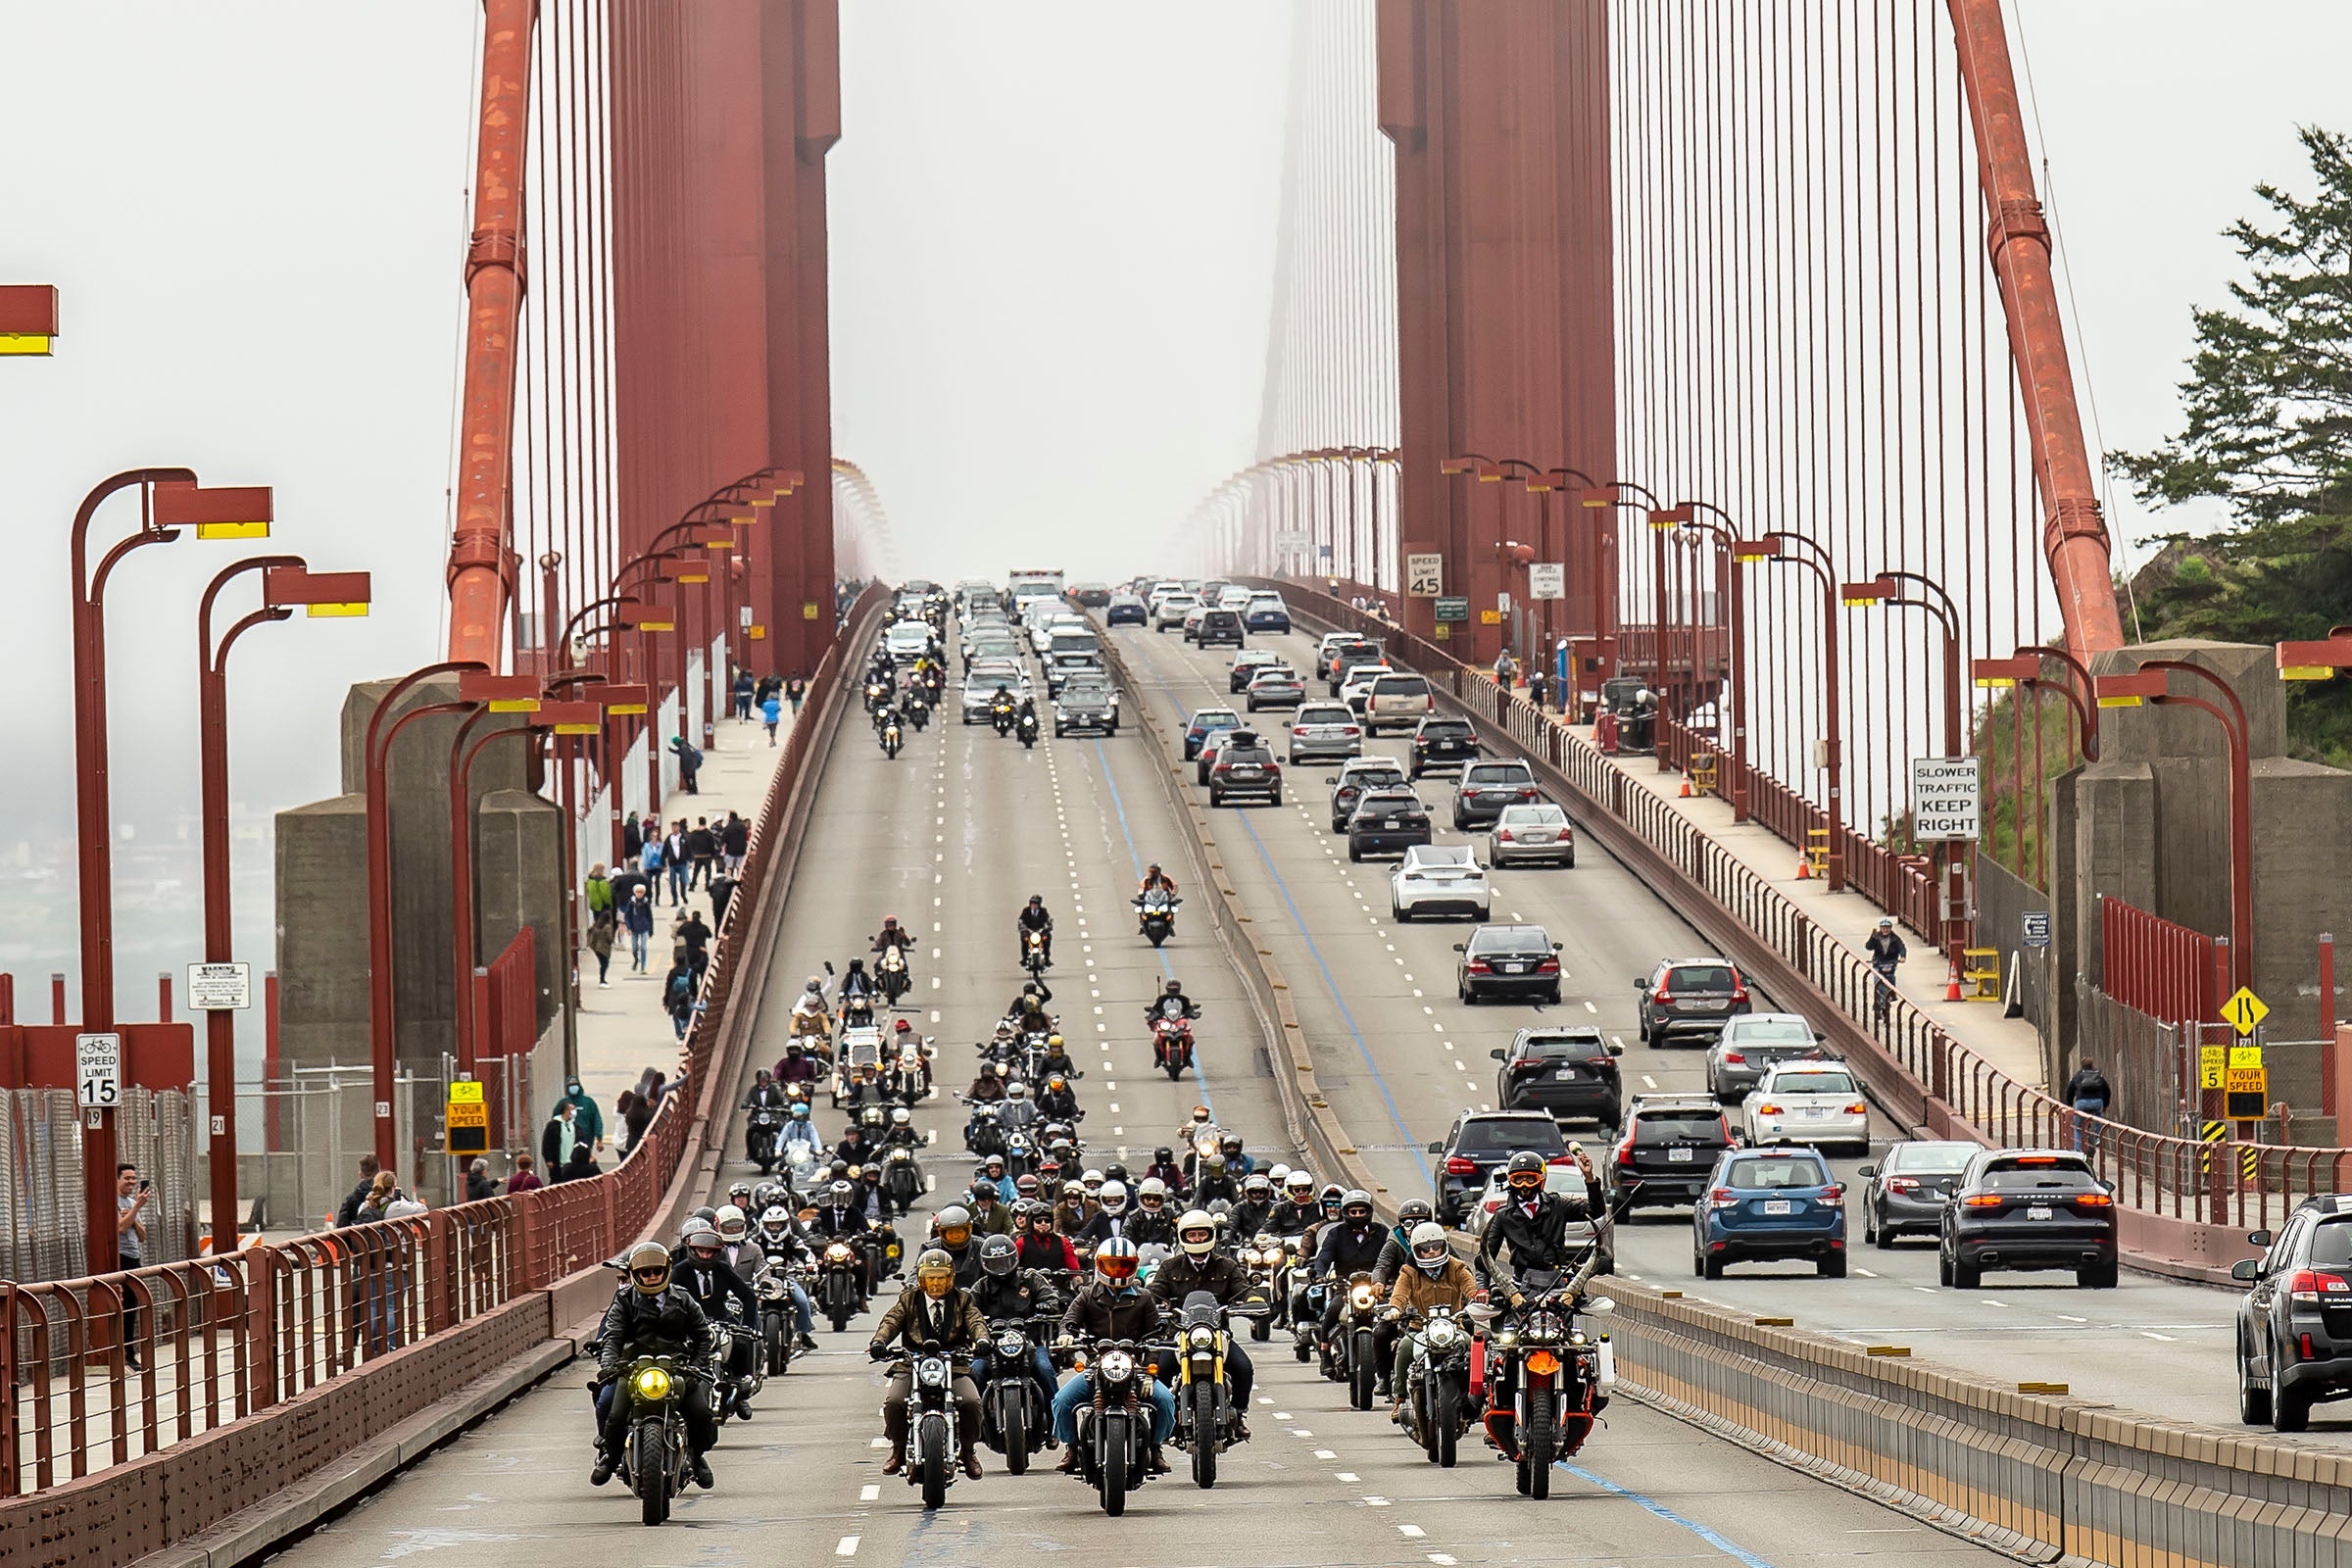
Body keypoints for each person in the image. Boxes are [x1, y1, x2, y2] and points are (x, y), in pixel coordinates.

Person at [591, 1242, 719, 1491]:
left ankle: (697, 1455)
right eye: (644, 1273)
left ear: (666, 1271)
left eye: (656, 1272)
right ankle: (612, 1456)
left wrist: (696, 1366)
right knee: (612, 1411)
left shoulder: (683, 1298)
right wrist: (608, 1364)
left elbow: (703, 1337)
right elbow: (612, 1336)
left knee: (702, 1414)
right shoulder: (624, 1300)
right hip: (632, 1369)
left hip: (678, 1368)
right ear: (636, 1275)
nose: (651, 1277)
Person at [1053, 1239, 1175, 1473]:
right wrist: (1065, 1335)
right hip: (1096, 1366)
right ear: (1099, 1266)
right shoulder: (1087, 1294)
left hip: (1135, 1368)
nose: (1117, 1272)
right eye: (1111, 1266)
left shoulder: (1144, 1297)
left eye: (1123, 1266)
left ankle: (1156, 1449)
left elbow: (1156, 1335)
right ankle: (1071, 1448)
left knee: (1166, 1401)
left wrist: (1149, 1371)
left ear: (1134, 1267)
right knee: (1062, 1401)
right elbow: (1069, 1321)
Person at [869, 1249, 990, 1478]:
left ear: (950, 1278)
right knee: (894, 1401)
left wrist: (982, 1339)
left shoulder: (962, 1299)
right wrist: (879, 1341)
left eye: (941, 1277)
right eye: (930, 1278)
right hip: (912, 1363)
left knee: (972, 1402)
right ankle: (898, 1450)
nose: (936, 1283)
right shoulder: (908, 1299)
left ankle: (968, 1451)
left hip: (953, 1364)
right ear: (922, 1279)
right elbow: (891, 1320)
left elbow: (975, 1321)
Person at [1146, 1208, 1255, 1427]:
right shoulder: (1170, 1267)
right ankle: (1160, 1421)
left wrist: (1253, 1301)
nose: (1198, 1239)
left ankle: (1239, 1413)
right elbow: (1155, 1292)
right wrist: (1152, 1303)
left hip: (1217, 1333)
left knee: (1243, 1367)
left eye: (1202, 1234)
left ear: (1211, 1235)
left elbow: (1243, 1290)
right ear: (1183, 1237)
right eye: (1192, 1235)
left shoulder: (1227, 1265)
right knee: (1160, 1370)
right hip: (1179, 1333)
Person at [1386, 1222, 1486, 1421]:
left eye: (1435, 1246)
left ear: (1444, 1245)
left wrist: (1477, 1296)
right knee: (1404, 1348)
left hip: (1453, 1328)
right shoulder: (1409, 1271)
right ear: (1416, 1250)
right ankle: (1400, 1398)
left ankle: (1479, 1397)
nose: (1431, 1252)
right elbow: (1400, 1293)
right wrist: (1395, 1309)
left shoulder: (1456, 1267)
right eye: (1424, 1249)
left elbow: (1470, 1286)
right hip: (1420, 1329)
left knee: (1472, 1347)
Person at [1475, 1149, 1603, 1291]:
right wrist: (1482, 1289)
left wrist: (1589, 1177)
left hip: (1556, 1284)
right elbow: (1485, 1256)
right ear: (1511, 1181)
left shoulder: (1557, 1204)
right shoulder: (1503, 1215)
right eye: (1518, 1179)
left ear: (1541, 1179)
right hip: (1520, 1286)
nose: (1524, 1185)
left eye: (1530, 1179)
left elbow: (1594, 1210)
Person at [969, 1232, 1063, 1422]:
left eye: (1005, 1261)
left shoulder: (1030, 1279)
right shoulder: (981, 1287)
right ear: (986, 1264)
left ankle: (1055, 1424)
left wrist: (1046, 1306)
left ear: (1014, 1259)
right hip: (990, 1348)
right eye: (995, 1264)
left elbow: (1051, 1298)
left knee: (1045, 1369)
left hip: (1030, 1344)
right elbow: (968, 1311)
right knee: (975, 1372)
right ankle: (973, 1425)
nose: (1001, 1268)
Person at [671, 1219, 761, 1417]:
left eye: (710, 1252)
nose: (705, 1256)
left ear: (717, 1252)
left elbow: (747, 1296)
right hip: (690, 1323)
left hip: (721, 1320)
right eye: (701, 1251)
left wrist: (746, 1326)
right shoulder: (679, 1271)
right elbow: (670, 1299)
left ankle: (740, 1395)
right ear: (691, 1250)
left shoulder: (723, 1269)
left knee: (740, 1345)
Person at [116, 1163, 151, 1368]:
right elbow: (120, 1228)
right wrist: (136, 1208)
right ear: (117, 1180)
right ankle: (126, 1353)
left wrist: (133, 1215)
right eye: (127, 1178)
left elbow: (143, 1235)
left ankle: (130, 1351)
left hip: (134, 1257)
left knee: (132, 1306)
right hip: (120, 1257)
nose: (131, 1182)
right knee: (122, 1306)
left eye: (133, 1178)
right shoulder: (117, 1202)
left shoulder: (131, 1202)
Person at [2065, 1057, 2112, 1152]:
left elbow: (2070, 1091)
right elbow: (2107, 1091)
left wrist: (2069, 1105)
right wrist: (2105, 1105)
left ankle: (2078, 1150)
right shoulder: (2098, 1075)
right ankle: (2097, 1137)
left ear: (2082, 1065)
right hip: (2097, 1102)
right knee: (2098, 1117)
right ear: (2092, 1065)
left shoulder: (2078, 1075)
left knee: (2078, 1127)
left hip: (2081, 1103)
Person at [334, 1153, 383, 1228]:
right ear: (379, 1172)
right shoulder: (391, 1195)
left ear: (361, 1174)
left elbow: (342, 1224)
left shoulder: (352, 1199)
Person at [663, 956, 699, 1041]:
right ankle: (687, 1031)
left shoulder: (672, 972)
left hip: (674, 996)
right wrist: (695, 997)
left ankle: (679, 1033)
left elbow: (668, 987)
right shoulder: (690, 971)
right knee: (688, 1014)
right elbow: (694, 986)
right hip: (687, 996)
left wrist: (666, 1000)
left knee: (676, 1016)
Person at [562, 1078, 604, 1149]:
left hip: (587, 1139)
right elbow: (556, 1122)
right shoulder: (563, 1103)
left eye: (575, 1085)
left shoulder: (588, 1102)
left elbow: (597, 1120)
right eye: (571, 1086)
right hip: (568, 1140)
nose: (573, 1087)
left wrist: (599, 1138)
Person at [541, 1099, 579, 1175]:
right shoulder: (553, 1125)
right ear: (565, 1111)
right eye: (572, 1109)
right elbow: (547, 1143)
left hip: (573, 1163)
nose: (574, 1112)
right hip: (558, 1162)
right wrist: (549, 1159)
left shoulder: (575, 1126)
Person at [622, 884, 655, 972]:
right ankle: (636, 959)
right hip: (633, 928)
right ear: (635, 892)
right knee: (634, 948)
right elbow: (627, 916)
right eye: (638, 892)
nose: (639, 894)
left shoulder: (646, 903)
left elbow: (650, 917)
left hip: (644, 927)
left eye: (641, 892)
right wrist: (628, 927)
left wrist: (651, 930)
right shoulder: (631, 903)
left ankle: (643, 967)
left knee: (644, 948)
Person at [1015, 894, 1054, 967]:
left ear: (1039, 904)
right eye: (1032, 903)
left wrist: (1047, 927)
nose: (1034, 905)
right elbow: (1021, 921)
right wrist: (1023, 928)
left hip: (1040, 931)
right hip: (1029, 931)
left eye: (1036, 904)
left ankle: (1047, 958)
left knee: (1047, 939)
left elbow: (1047, 921)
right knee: (1024, 940)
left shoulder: (1043, 911)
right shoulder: (1026, 911)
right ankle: (1024, 958)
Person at [678, 908, 713, 983]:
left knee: (691, 972)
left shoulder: (687, 927)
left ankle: (694, 990)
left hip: (690, 951)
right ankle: (703, 988)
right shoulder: (703, 927)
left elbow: (679, 932)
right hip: (701, 951)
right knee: (703, 973)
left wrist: (686, 923)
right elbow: (709, 935)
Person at [687, 817, 717, 891]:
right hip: (707, 855)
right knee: (708, 872)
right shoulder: (708, 833)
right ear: (705, 822)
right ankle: (707, 886)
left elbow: (690, 843)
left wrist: (693, 852)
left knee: (696, 872)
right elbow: (711, 845)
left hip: (697, 855)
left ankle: (692, 886)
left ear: (699, 822)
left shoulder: (693, 833)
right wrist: (713, 854)